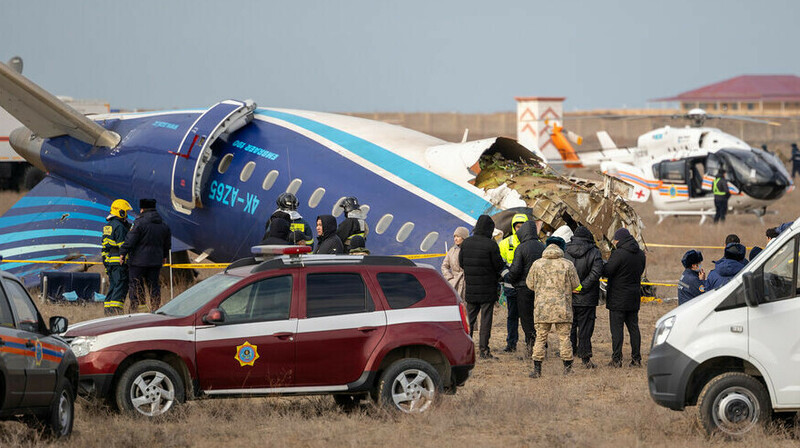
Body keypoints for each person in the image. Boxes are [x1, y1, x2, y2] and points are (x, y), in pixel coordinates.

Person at [526, 236, 580, 378]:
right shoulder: (567, 264)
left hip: (542, 308)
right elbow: (576, 284)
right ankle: (567, 369)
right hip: (563, 308)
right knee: (564, 338)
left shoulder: (537, 264)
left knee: (540, 337)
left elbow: (530, 284)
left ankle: (537, 370)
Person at [459, 215, 505, 360]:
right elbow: (498, 265)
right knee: (486, 320)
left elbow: (461, 263)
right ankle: (484, 350)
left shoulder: (466, 243)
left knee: (469, 320)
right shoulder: (491, 245)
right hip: (487, 288)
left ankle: (465, 349)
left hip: (471, 289)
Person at [603, 228, 646, 368]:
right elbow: (640, 271)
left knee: (617, 330)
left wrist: (603, 263)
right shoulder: (640, 254)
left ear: (619, 240)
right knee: (634, 328)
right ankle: (636, 359)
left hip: (617, 298)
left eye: (615, 240)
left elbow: (607, 271)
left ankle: (616, 359)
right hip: (633, 297)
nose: (614, 242)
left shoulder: (618, 254)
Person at [120, 199, 171, 312]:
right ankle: (155, 308)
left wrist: (123, 252)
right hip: (155, 261)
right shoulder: (163, 224)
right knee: (154, 286)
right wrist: (164, 256)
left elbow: (130, 240)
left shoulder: (139, 223)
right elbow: (167, 244)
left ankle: (135, 309)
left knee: (135, 285)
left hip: (138, 262)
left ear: (142, 209)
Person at [564, 226, 603, 369]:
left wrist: (571, 287)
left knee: (570, 326)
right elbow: (596, 272)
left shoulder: (565, 250)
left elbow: (562, 271)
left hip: (569, 295)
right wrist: (581, 287)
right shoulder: (594, 252)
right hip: (587, 298)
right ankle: (585, 358)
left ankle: (569, 354)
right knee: (585, 328)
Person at [506, 221, 545, 358]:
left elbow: (515, 270)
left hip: (523, 289)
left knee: (526, 319)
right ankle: (542, 345)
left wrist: (510, 279)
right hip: (540, 289)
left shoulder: (521, 248)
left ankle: (531, 347)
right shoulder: (542, 246)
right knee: (539, 319)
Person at [498, 213, 529, 353]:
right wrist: (507, 276)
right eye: (517, 227)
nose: (519, 229)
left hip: (527, 288)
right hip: (511, 287)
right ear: (513, 227)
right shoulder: (505, 243)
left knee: (528, 317)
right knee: (512, 317)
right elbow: (500, 263)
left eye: (522, 227)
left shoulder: (532, 243)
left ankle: (530, 342)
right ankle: (511, 344)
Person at [101, 199, 132, 315]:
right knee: (120, 287)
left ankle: (108, 311)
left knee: (113, 287)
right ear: (121, 212)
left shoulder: (108, 226)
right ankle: (115, 312)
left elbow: (104, 247)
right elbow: (123, 247)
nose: (127, 215)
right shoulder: (119, 227)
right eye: (125, 212)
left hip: (110, 262)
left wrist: (106, 264)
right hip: (119, 262)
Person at [441, 227, 469, 299]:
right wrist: (450, 278)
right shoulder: (452, 250)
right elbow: (444, 266)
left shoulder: (470, 250)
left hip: (468, 285)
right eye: (454, 236)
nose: (455, 239)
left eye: (458, 236)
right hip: (455, 284)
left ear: (464, 237)